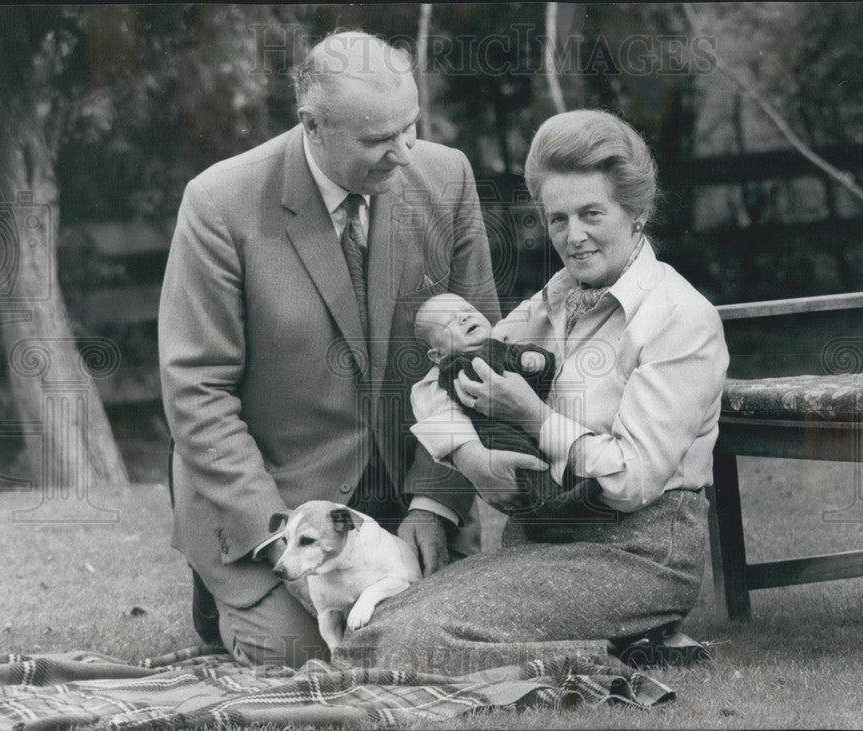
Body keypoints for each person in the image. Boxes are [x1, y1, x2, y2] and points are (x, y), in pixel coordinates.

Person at [158, 30, 509, 668]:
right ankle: (227, 586)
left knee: (435, 646)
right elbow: (196, 394)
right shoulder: (218, 205)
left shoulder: (447, 177)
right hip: (280, 506)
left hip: (406, 499)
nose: (403, 153)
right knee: (311, 657)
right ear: (312, 126)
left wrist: (433, 504)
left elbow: (480, 363)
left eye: (410, 127)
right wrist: (282, 543)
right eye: (377, 140)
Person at [339, 109, 729, 675]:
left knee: (415, 641)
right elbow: (435, 384)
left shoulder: (679, 318)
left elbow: (632, 480)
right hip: (538, 541)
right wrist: (471, 455)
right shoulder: (554, 300)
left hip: (638, 551)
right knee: (380, 623)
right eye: (558, 219)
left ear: (637, 212)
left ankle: (605, 659)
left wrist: (533, 415)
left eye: (592, 213)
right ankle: (629, 646)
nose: (574, 237)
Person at [413, 293, 604, 539]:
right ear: (437, 356)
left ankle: (563, 502)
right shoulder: (451, 369)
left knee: (547, 462)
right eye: (449, 322)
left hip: (527, 427)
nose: (463, 318)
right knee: (526, 473)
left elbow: (532, 371)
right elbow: (434, 400)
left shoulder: (498, 345)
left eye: (468, 309)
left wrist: (534, 360)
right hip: (497, 438)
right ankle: (550, 517)